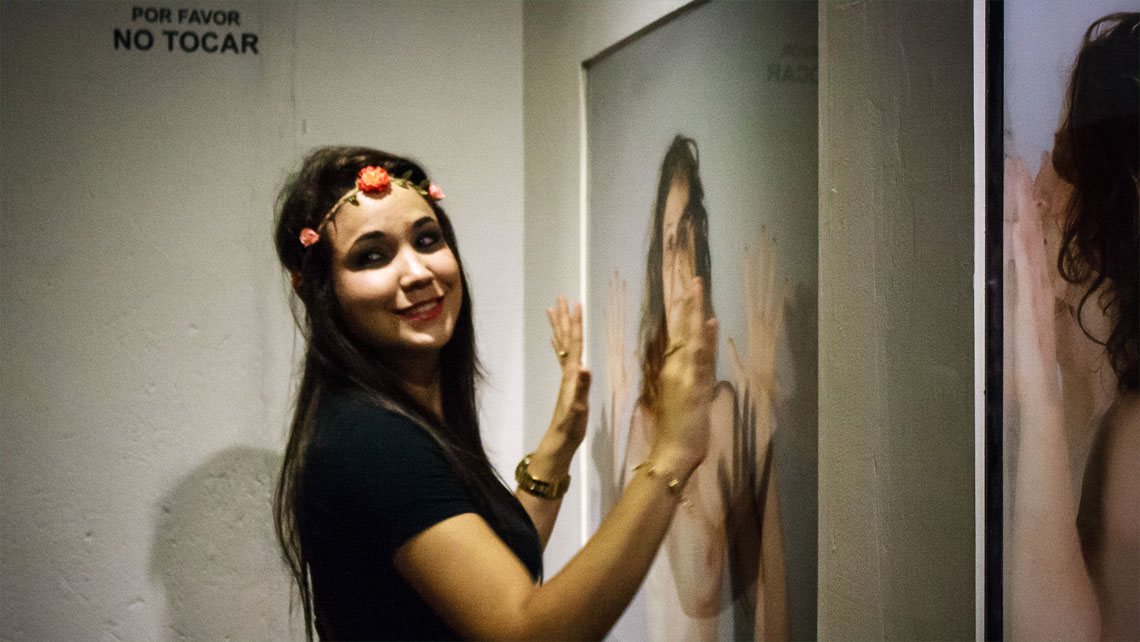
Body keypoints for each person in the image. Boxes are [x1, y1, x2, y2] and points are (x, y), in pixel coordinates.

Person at [271, 146, 719, 641]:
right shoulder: (372, 441)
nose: (418, 272)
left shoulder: (389, 418)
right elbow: (523, 632)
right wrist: (673, 452)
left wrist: (559, 444)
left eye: (427, 240)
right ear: (321, 291)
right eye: (372, 256)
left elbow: (481, 571)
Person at [605, 135, 788, 640]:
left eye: (689, 240)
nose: (680, 263)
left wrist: (762, 425)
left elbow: (770, 598)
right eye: (668, 244)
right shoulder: (636, 421)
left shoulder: (727, 415)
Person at [1007, 12, 1138, 641]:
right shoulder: (1103, 413)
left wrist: (1034, 378)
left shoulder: (1133, 436)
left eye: (1062, 153)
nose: (1038, 177)